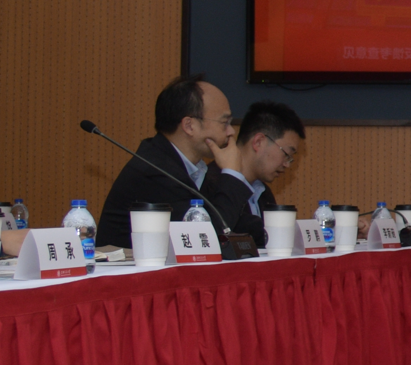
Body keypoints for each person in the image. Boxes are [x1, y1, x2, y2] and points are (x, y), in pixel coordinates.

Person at [97, 74, 236, 243]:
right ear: (189, 125)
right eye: (224, 122)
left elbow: (243, 230)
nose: (231, 131)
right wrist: (232, 175)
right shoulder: (154, 172)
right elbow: (209, 239)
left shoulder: (190, 168)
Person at [205, 101, 304, 230]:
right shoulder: (210, 185)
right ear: (258, 142)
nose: (287, 164)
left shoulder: (264, 193)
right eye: (286, 154)